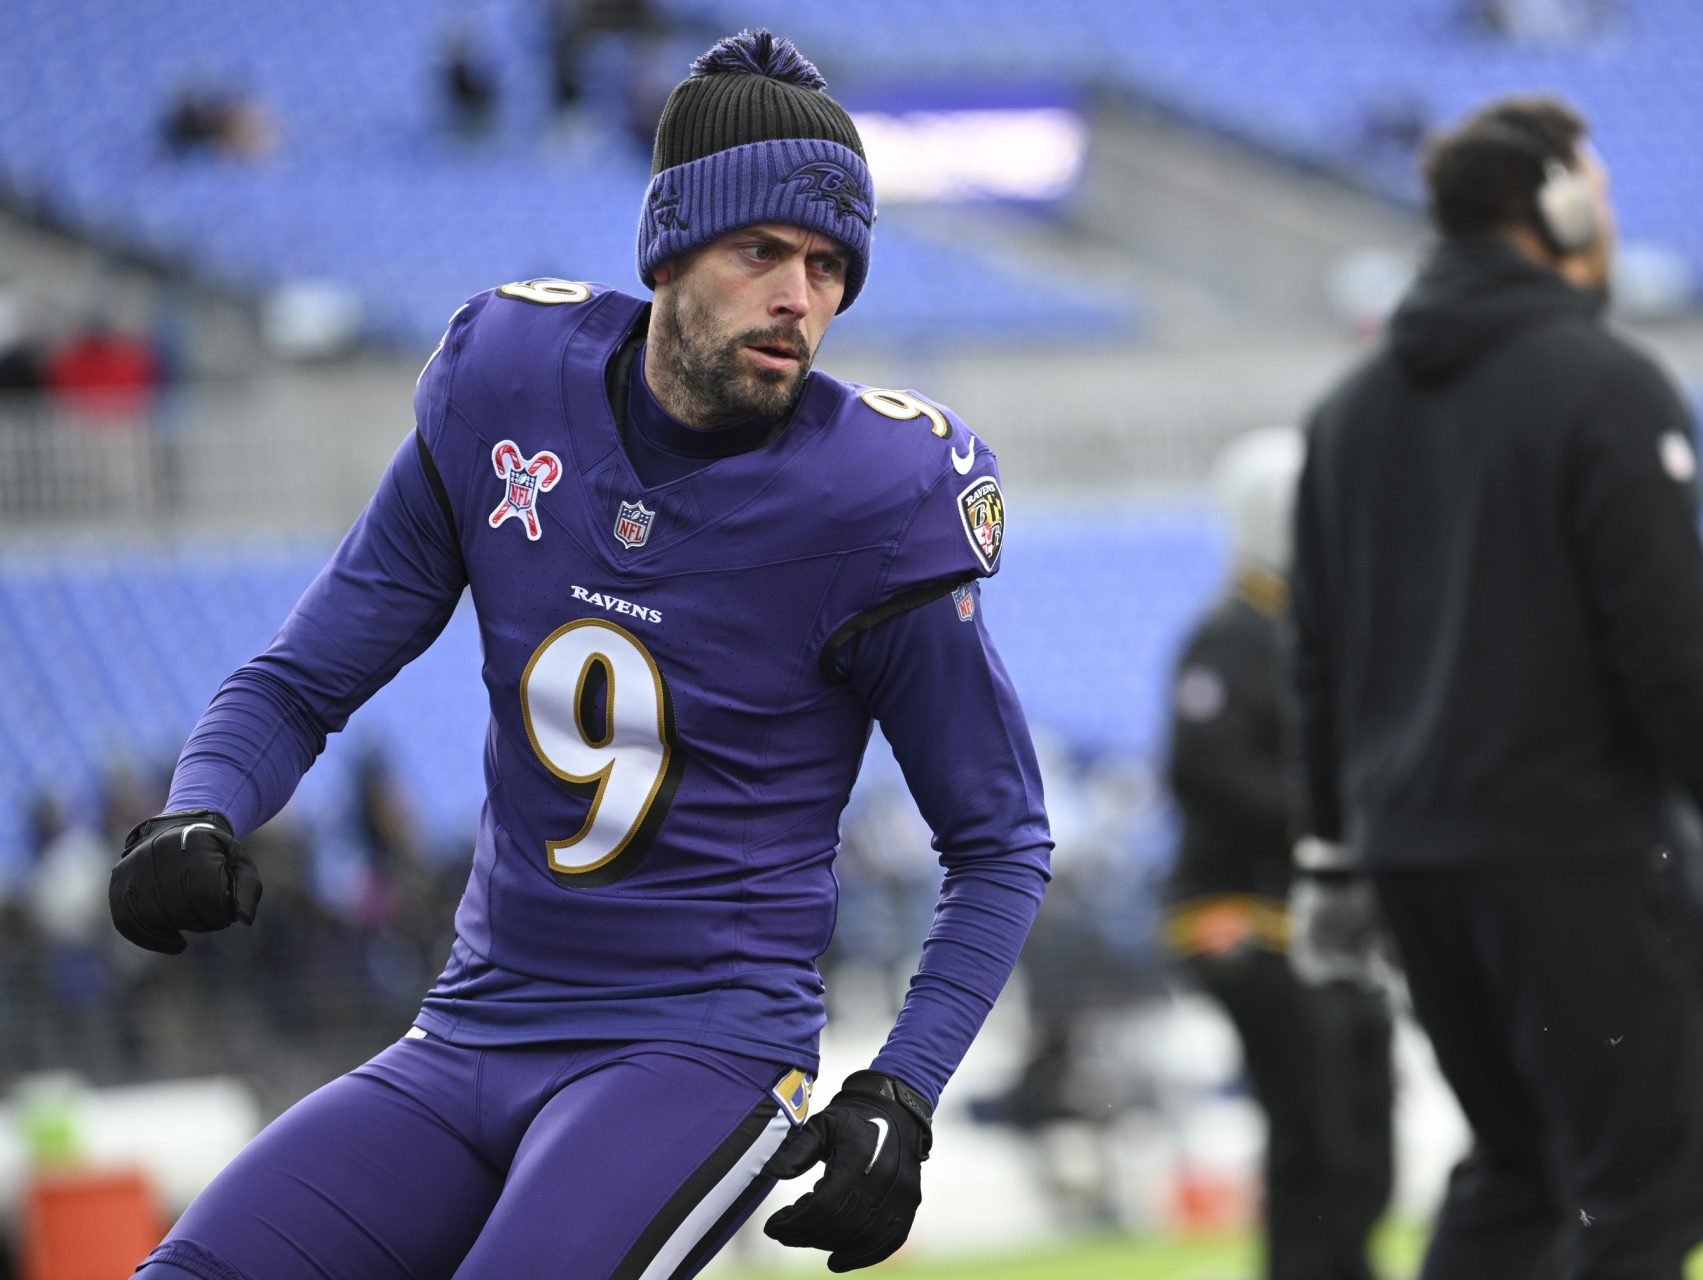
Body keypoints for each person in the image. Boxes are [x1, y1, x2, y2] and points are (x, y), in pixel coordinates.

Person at [109, 30, 1052, 1280]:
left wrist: (906, 1086)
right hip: (471, 1028)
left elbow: (999, 840)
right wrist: (199, 808)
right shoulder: (508, 382)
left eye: (830, 266)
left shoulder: (874, 497)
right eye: (760, 250)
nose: (799, 297)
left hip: (697, 1048)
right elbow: (302, 677)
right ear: (668, 248)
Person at [1288, 95, 1703, 1280]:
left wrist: (1328, 852)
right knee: (1649, 1195)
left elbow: (1317, 656)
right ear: (1560, 207)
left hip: (1415, 860)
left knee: (1516, 1169)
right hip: (1575, 851)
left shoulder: (1345, 413)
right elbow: (1673, 642)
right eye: (1600, 197)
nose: (1607, 223)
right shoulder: (1605, 382)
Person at [1160, 428, 1393, 1280]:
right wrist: (1334, 828)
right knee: (1319, 1138)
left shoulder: (1310, 634)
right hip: (1246, 924)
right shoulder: (1229, 638)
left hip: (1322, 929)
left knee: (1362, 1134)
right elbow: (1206, 770)